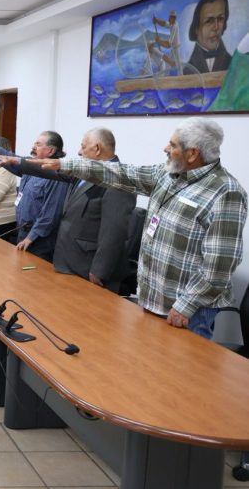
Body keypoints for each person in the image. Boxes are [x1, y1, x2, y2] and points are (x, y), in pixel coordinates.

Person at [37, 117, 246, 336]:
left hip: (184, 312)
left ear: (192, 153)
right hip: (152, 300)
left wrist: (186, 305)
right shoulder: (167, 174)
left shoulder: (226, 192)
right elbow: (119, 173)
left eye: (173, 145)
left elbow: (219, 265)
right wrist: (66, 165)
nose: (165, 148)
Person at [0, 128, 137, 291]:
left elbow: (114, 232)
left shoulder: (119, 180)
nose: (79, 152)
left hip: (90, 269)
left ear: (97, 148)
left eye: (83, 146)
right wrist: (14, 160)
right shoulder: (86, 170)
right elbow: (42, 168)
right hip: (69, 260)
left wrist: (100, 270)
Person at [0, 129, 68, 260]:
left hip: (39, 239)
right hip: (22, 232)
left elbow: (51, 214)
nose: (33, 147)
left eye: (38, 144)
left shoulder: (57, 176)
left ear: (50, 151)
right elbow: (5, 155)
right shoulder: (31, 166)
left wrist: (31, 237)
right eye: (35, 143)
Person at [187, 0, 232, 73]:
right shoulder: (186, 70)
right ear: (196, 28)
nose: (216, 27)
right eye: (209, 21)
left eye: (220, 19)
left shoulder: (234, 64)